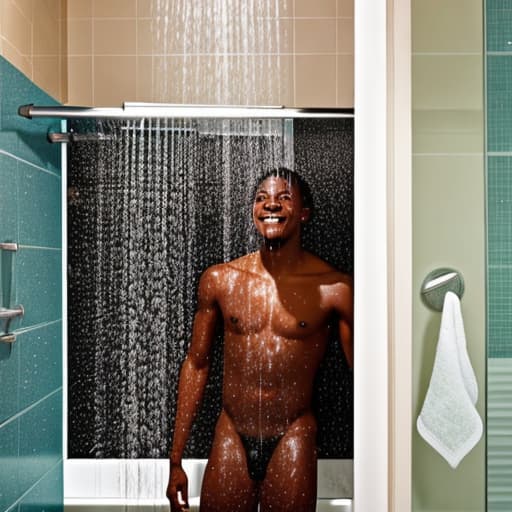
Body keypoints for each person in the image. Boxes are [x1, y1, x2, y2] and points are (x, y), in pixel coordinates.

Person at [166, 167, 353, 512]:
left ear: (304, 213)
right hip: (232, 432)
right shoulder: (221, 280)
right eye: (261, 198)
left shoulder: (335, 289)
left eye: (284, 198)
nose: (271, 205)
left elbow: (366, 376)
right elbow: (196, 363)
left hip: (293, 434)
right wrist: (175, 460)